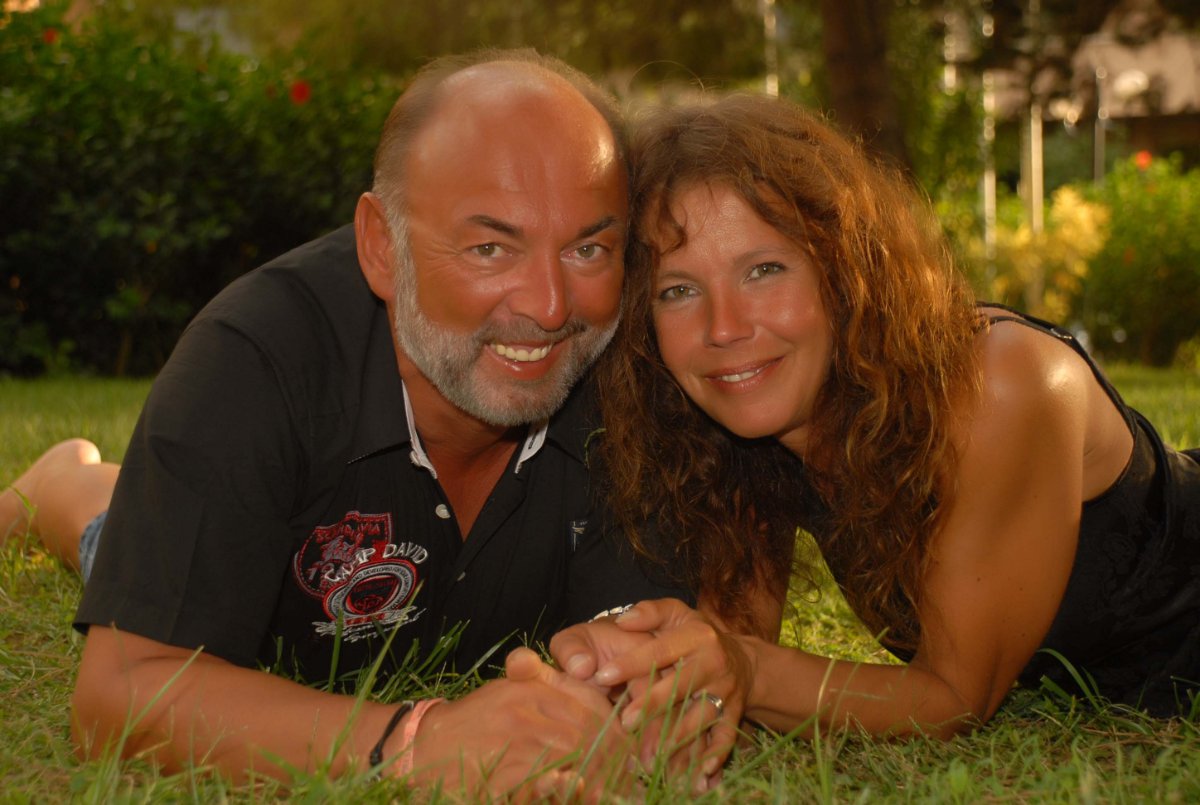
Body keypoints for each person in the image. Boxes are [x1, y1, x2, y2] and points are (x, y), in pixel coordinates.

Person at [0, 49, 694, 798]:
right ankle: (63, 481)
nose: (550, 305)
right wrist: (417, 743)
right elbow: (119, 694)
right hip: (254, 580)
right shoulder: (254, 358)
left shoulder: (645, 367)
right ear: (381, 246)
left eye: (588, 247)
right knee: (112, 539)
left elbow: (673, 646)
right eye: (491, 247)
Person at [552, 92, 1200, 770]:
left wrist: (743, 669)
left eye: (764, 270)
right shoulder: (739, 434)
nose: (724, 327)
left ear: (844, 268)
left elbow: (952, 698)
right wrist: (632, 678)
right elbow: (726, 647)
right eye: (678, 290)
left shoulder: (1002, 383)